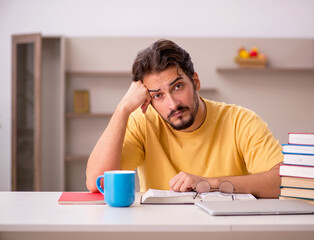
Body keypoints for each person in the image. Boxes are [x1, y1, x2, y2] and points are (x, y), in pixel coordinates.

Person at [86, 39, 283, 198]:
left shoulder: (241, 121)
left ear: (195, 81)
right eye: (158, 95)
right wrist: (123, 109)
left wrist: (208, 184)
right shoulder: (142, 122)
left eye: (178, 86)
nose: (172, 104)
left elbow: (283, 181)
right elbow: (98, 182)